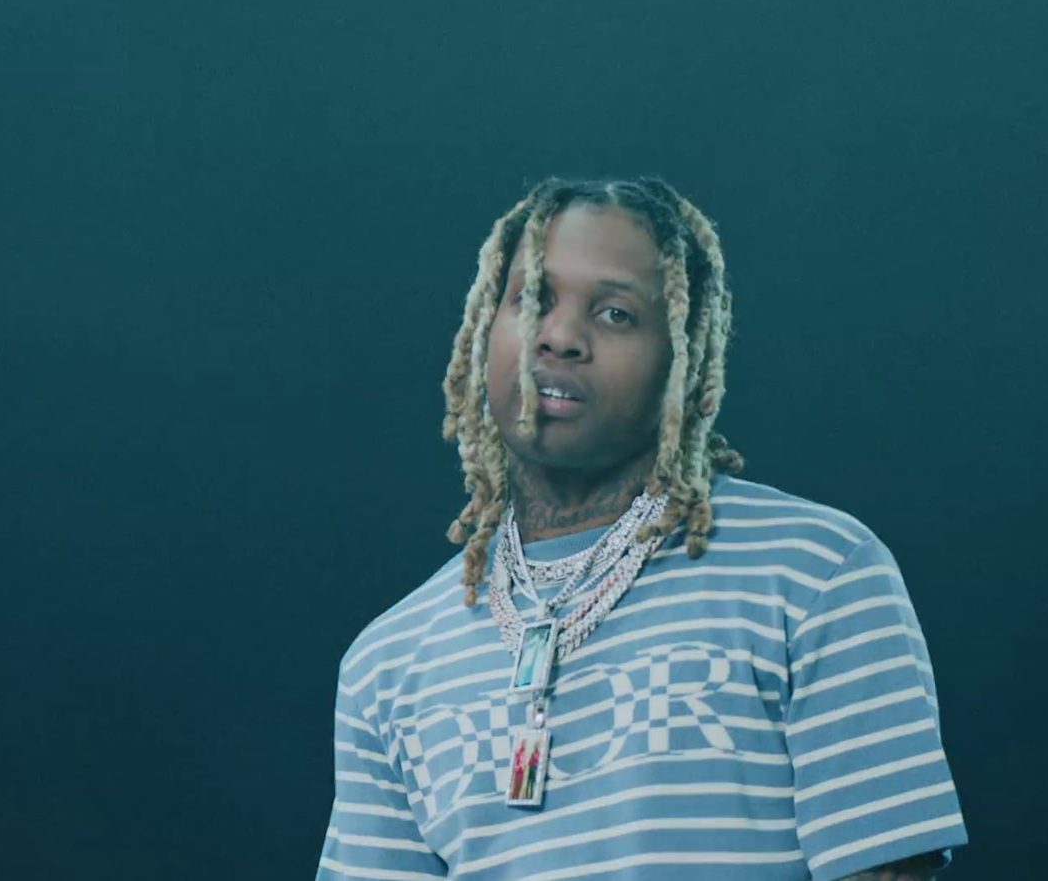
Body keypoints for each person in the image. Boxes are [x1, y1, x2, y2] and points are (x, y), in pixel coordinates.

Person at [315, 177, 967, 881]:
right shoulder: (388, 663)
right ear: (482, 329)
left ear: (680, 356)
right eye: (532, 298)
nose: (560, 337)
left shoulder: (817, 574)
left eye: (617, 313)